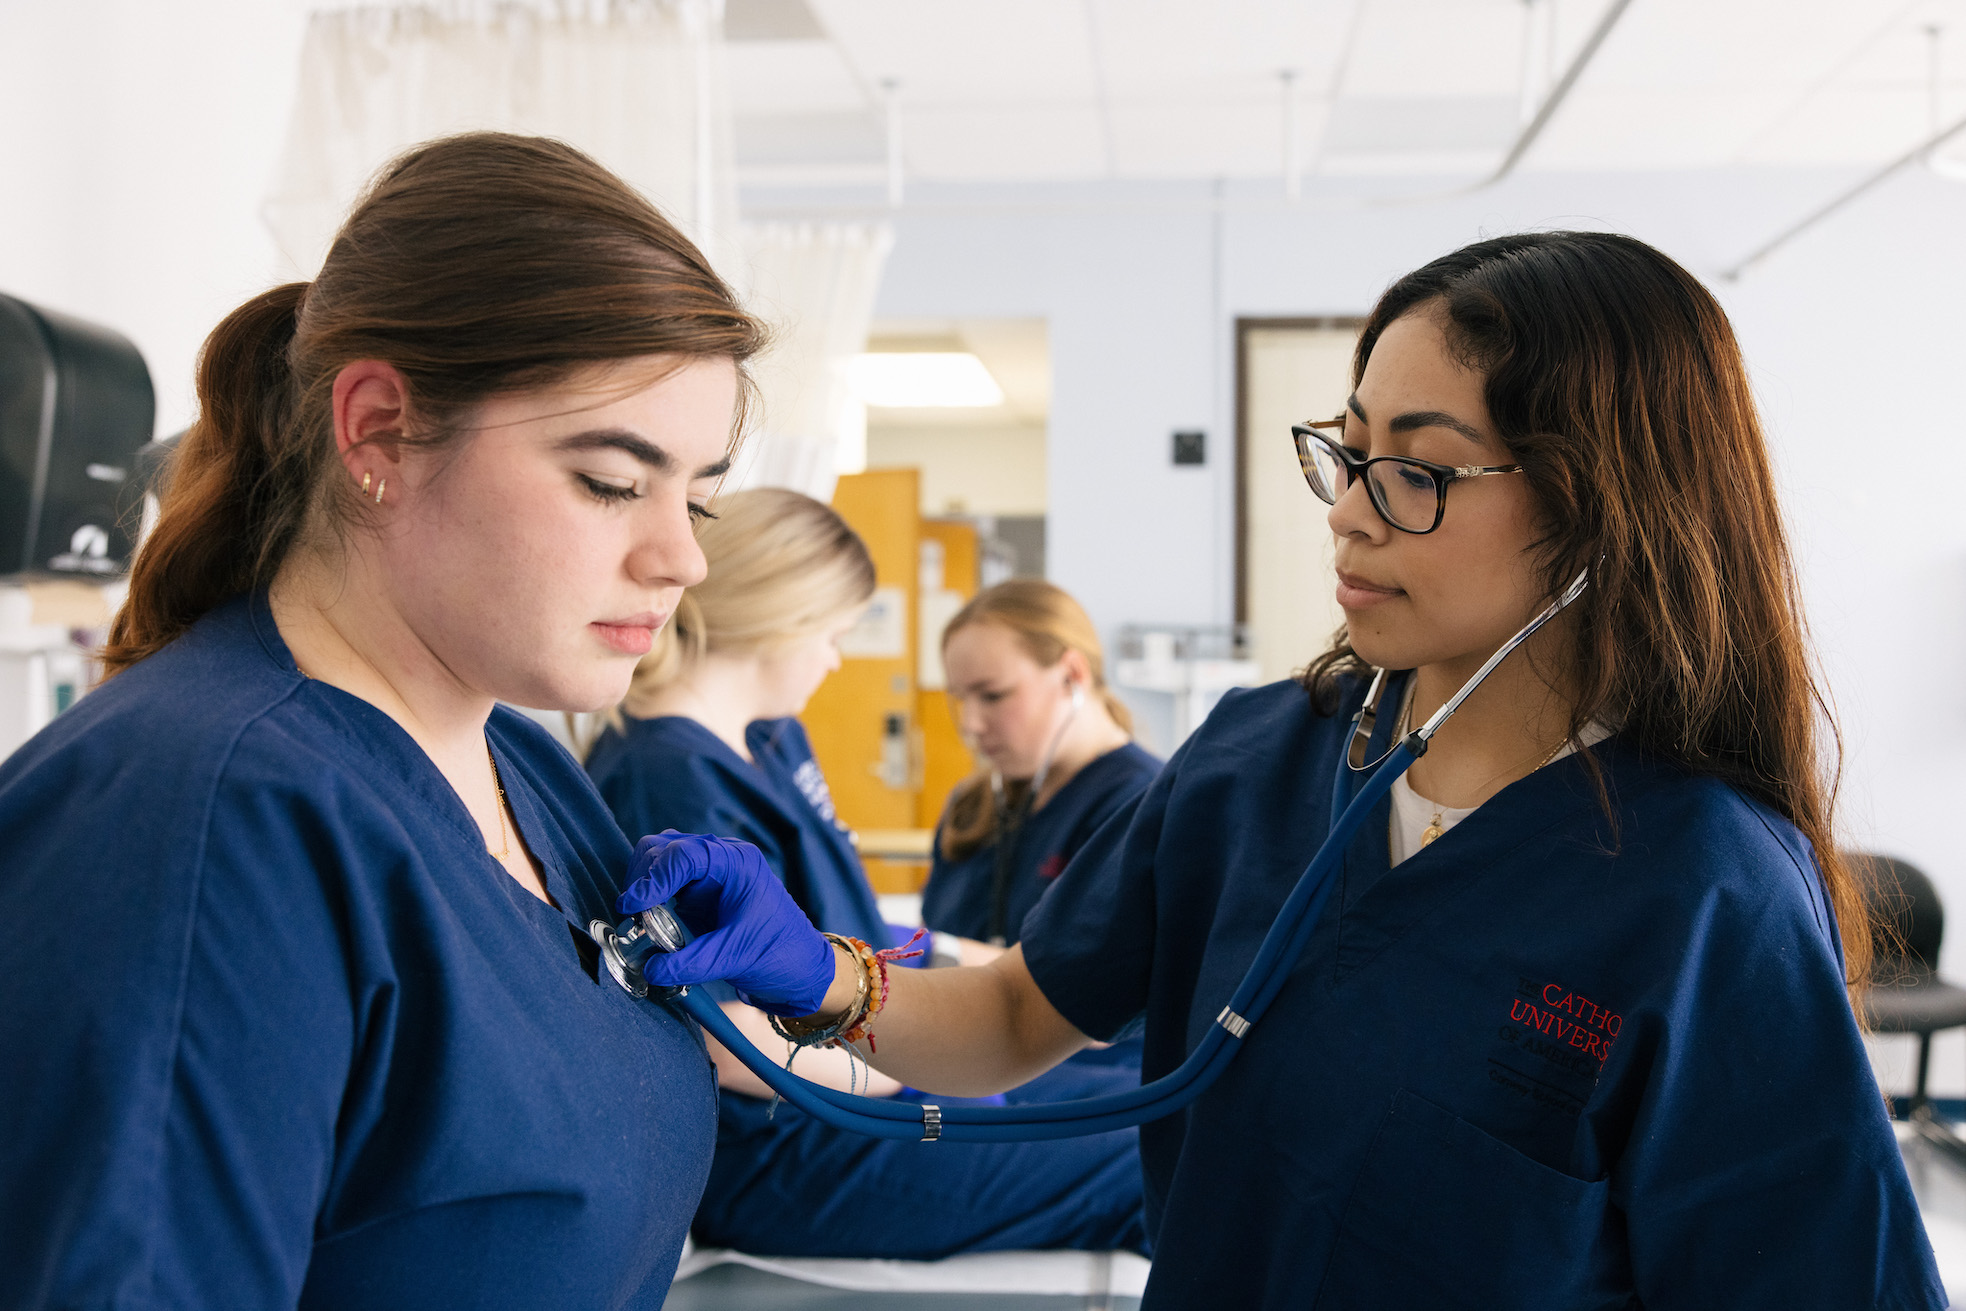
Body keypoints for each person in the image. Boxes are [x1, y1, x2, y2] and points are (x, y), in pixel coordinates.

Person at [616, 232, 1947, 1309]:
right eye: (1349, 447)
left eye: (1418, 470)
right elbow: (1021, 1016)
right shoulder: (1260, 756)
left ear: (1602, 506)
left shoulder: (1699, 889)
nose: (1350, 508)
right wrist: (821, 972)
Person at [0, 133, 766, 1308]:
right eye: (612, 481)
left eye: (698, 499)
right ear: (377, 432)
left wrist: (848, 985)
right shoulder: (218, 825)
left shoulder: (515, 763)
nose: (676, 558)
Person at [585, 489, 1147, 1259]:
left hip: (866, 1064)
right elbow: (707, 1026)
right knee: (1150, 1161)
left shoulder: (771, 741)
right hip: (796, 1141)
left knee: (1155, 1093)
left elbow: (826, 926)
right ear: (784, 616)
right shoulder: (667, 775)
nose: (836, 658)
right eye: (834, 633)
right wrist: (895, 1068)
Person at [924, 579, 1160, 953]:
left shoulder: (1142, 804)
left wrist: (936, 957)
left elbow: (1089, 982)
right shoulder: (972, 805)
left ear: (1072, 673)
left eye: (992, 695)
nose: (970, 724)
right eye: (960, 699)